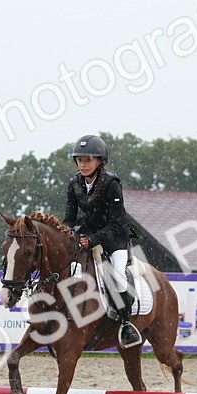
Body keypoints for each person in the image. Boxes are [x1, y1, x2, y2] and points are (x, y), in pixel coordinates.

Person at [61, 134, 140, 348]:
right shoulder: (74, 184)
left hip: (115, 238)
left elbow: (116, 222)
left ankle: (125, 324)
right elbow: (69, 218)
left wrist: (93, 239)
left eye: (88, 160)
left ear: (99, 162)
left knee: (117, 276)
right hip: (87, 234)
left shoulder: (111, 184)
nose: (83, 165)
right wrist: (65, 234)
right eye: (79, 160)